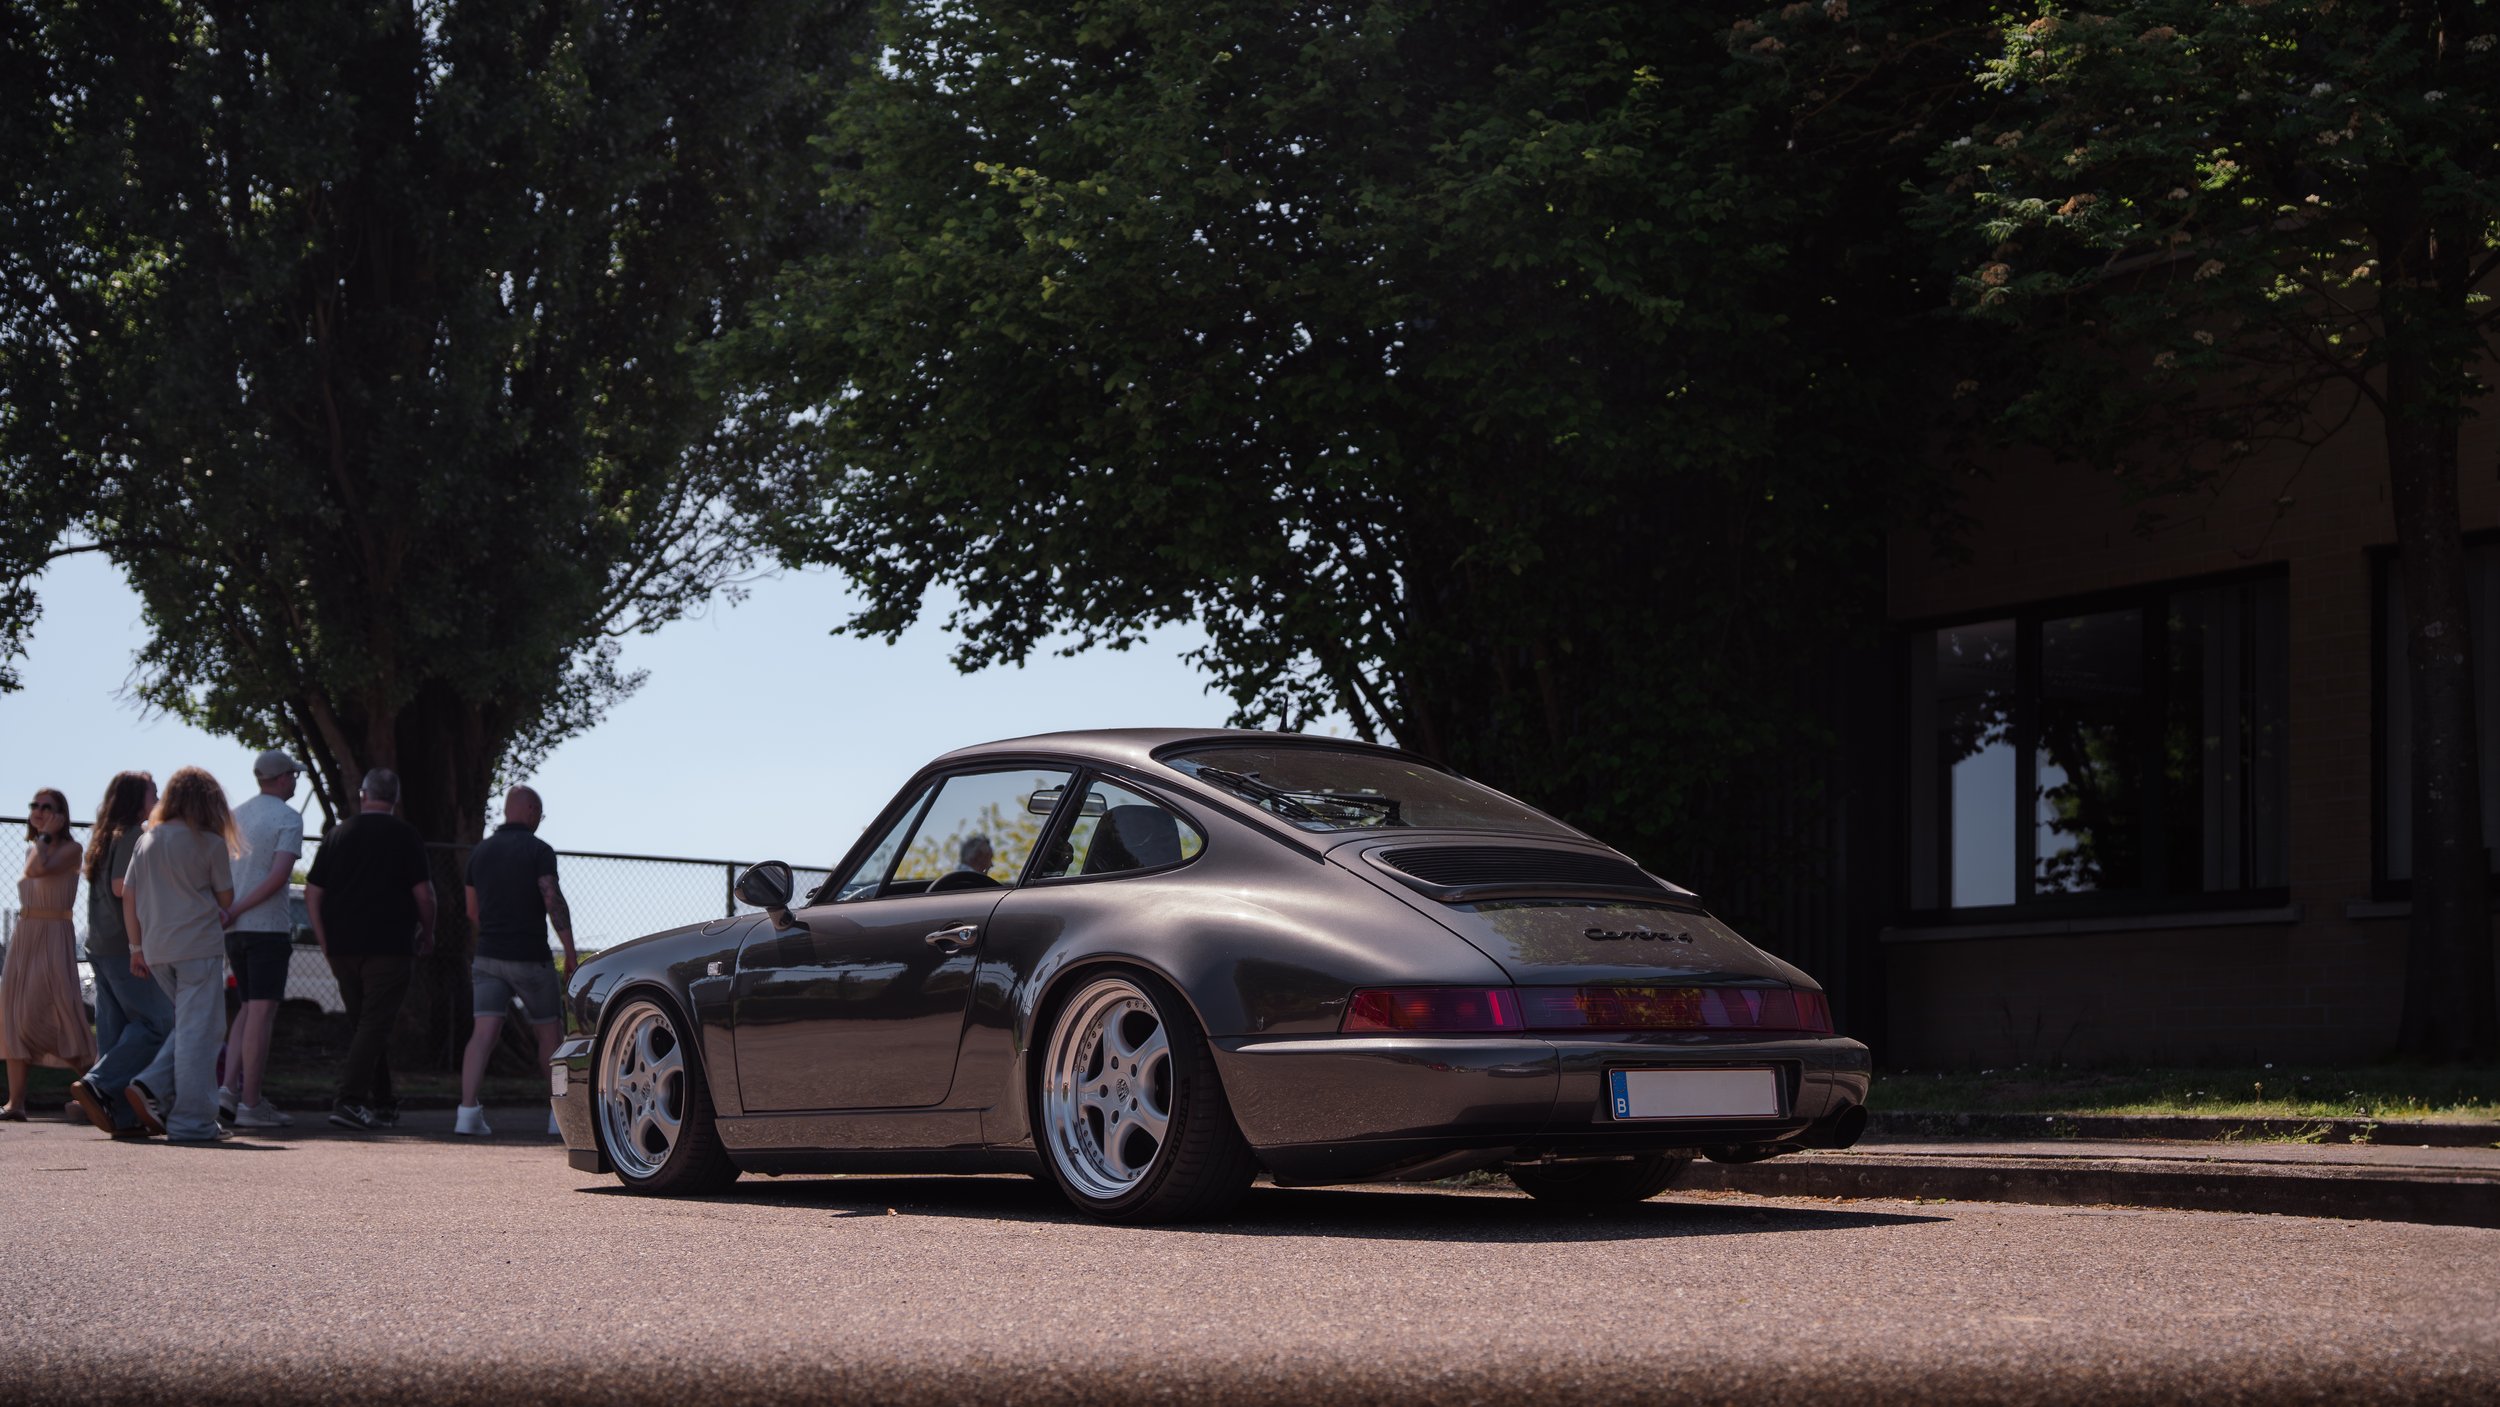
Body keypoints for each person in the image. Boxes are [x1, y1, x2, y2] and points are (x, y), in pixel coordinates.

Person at [305, 768, 434, 1131]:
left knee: (366, 1024)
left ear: (363, 795)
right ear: (395, 798)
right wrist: (428, 932)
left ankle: (383, 1102)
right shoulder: (405, 836)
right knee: (375, 1024)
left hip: (342, 946)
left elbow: (313, 891)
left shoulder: (338, 834)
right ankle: (349, 1101)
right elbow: (424, 895)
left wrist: (322, 936)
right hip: (389, 946)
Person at [121, 767, 239, 1143]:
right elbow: (226, 898)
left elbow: (128, 893)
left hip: (156, 949)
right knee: (200, 1034)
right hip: (198, 947)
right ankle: (189, 1118)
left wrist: (135, 946)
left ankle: (159, 1090)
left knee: (190, 1029)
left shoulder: (147, 839)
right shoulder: (209, 843)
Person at [454, 785, 578, 1138]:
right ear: (529, 810)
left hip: (489, 956)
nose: (539, 819)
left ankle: (466, 1113)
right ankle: (559, 1115)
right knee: (550, 1034)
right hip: (530, 956)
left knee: (482, 1035)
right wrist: (569, 951)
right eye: (539, 813)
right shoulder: (539, 851)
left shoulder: (479, 853)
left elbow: (471, 910)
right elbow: (553, 899)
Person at [66, 772, 174, 1136]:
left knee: (114, 1030)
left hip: (100, 944)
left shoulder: (105, 836)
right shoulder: (132, 836)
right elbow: (121, 887)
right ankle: (99, 1082)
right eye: (153, 794)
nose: (158, 800)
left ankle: (121, 1117)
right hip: (123, 945)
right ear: (134, 799)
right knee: (157, 1023)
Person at [219, 750, 306, 1129]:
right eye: (294, 776)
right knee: (261, 1012)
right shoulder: (288, 818)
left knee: (245, 1008)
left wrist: (230, 909)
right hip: (266, 927)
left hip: (235, 931)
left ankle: (228, 1089)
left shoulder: (236, 816)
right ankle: (250, 1101)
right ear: (284, 778)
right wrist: (239, 909)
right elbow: (278, 877)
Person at [1, 788, 96, 1120]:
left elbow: (40, 871)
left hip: (53, 935)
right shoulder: (33, 848)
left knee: (59, 1010)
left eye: (48, 807)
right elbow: (34, 866)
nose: (39, 811)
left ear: (62, 815)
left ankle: (97, 1088)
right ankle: (16, 1103)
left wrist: (44, 836)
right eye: (35, 806)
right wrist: (40, 839)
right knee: (14, 1013)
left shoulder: (71, 848)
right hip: (25, 936)